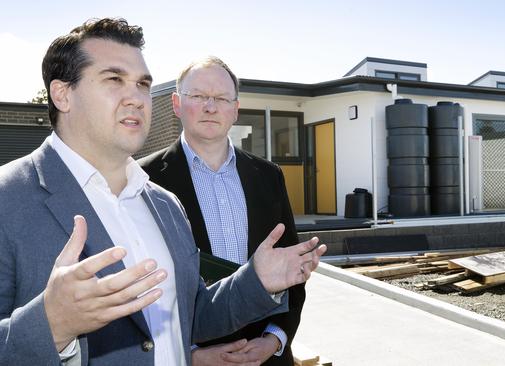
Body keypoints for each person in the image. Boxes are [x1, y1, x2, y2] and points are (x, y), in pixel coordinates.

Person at [0, 18, 326, 366]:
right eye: (114, 79)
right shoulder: (9, 200)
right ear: (63, 94)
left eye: (142, 84)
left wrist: (256, 281)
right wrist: (51, 327)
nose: (136, 98)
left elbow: (190, 313)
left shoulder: (164, 204)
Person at [139, 57, 302, 366]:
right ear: (176, 103)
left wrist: (274, 338)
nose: (210, 107)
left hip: (266, 356)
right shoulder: (142, 180)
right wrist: (190, 354)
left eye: (221, 98)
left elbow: (293, 270)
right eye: (198, 96)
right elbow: (138, 286)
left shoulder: (269, 176)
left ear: (235, 109)